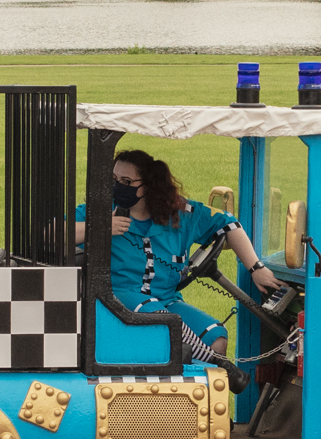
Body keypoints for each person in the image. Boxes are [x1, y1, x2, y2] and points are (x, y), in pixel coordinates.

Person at [73, 147, 280, 369]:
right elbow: (52, 232)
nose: (117, 187)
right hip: (115, 300)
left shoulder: (179, 213)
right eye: (113, 179)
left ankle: (199, 391)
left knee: (217, 336)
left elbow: (229, 223)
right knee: (162, 321)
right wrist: (100, 227)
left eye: (126, 181)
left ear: (147, 186)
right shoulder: (98, 211)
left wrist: (256, 268)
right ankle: (225, 370)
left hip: (167, 299)